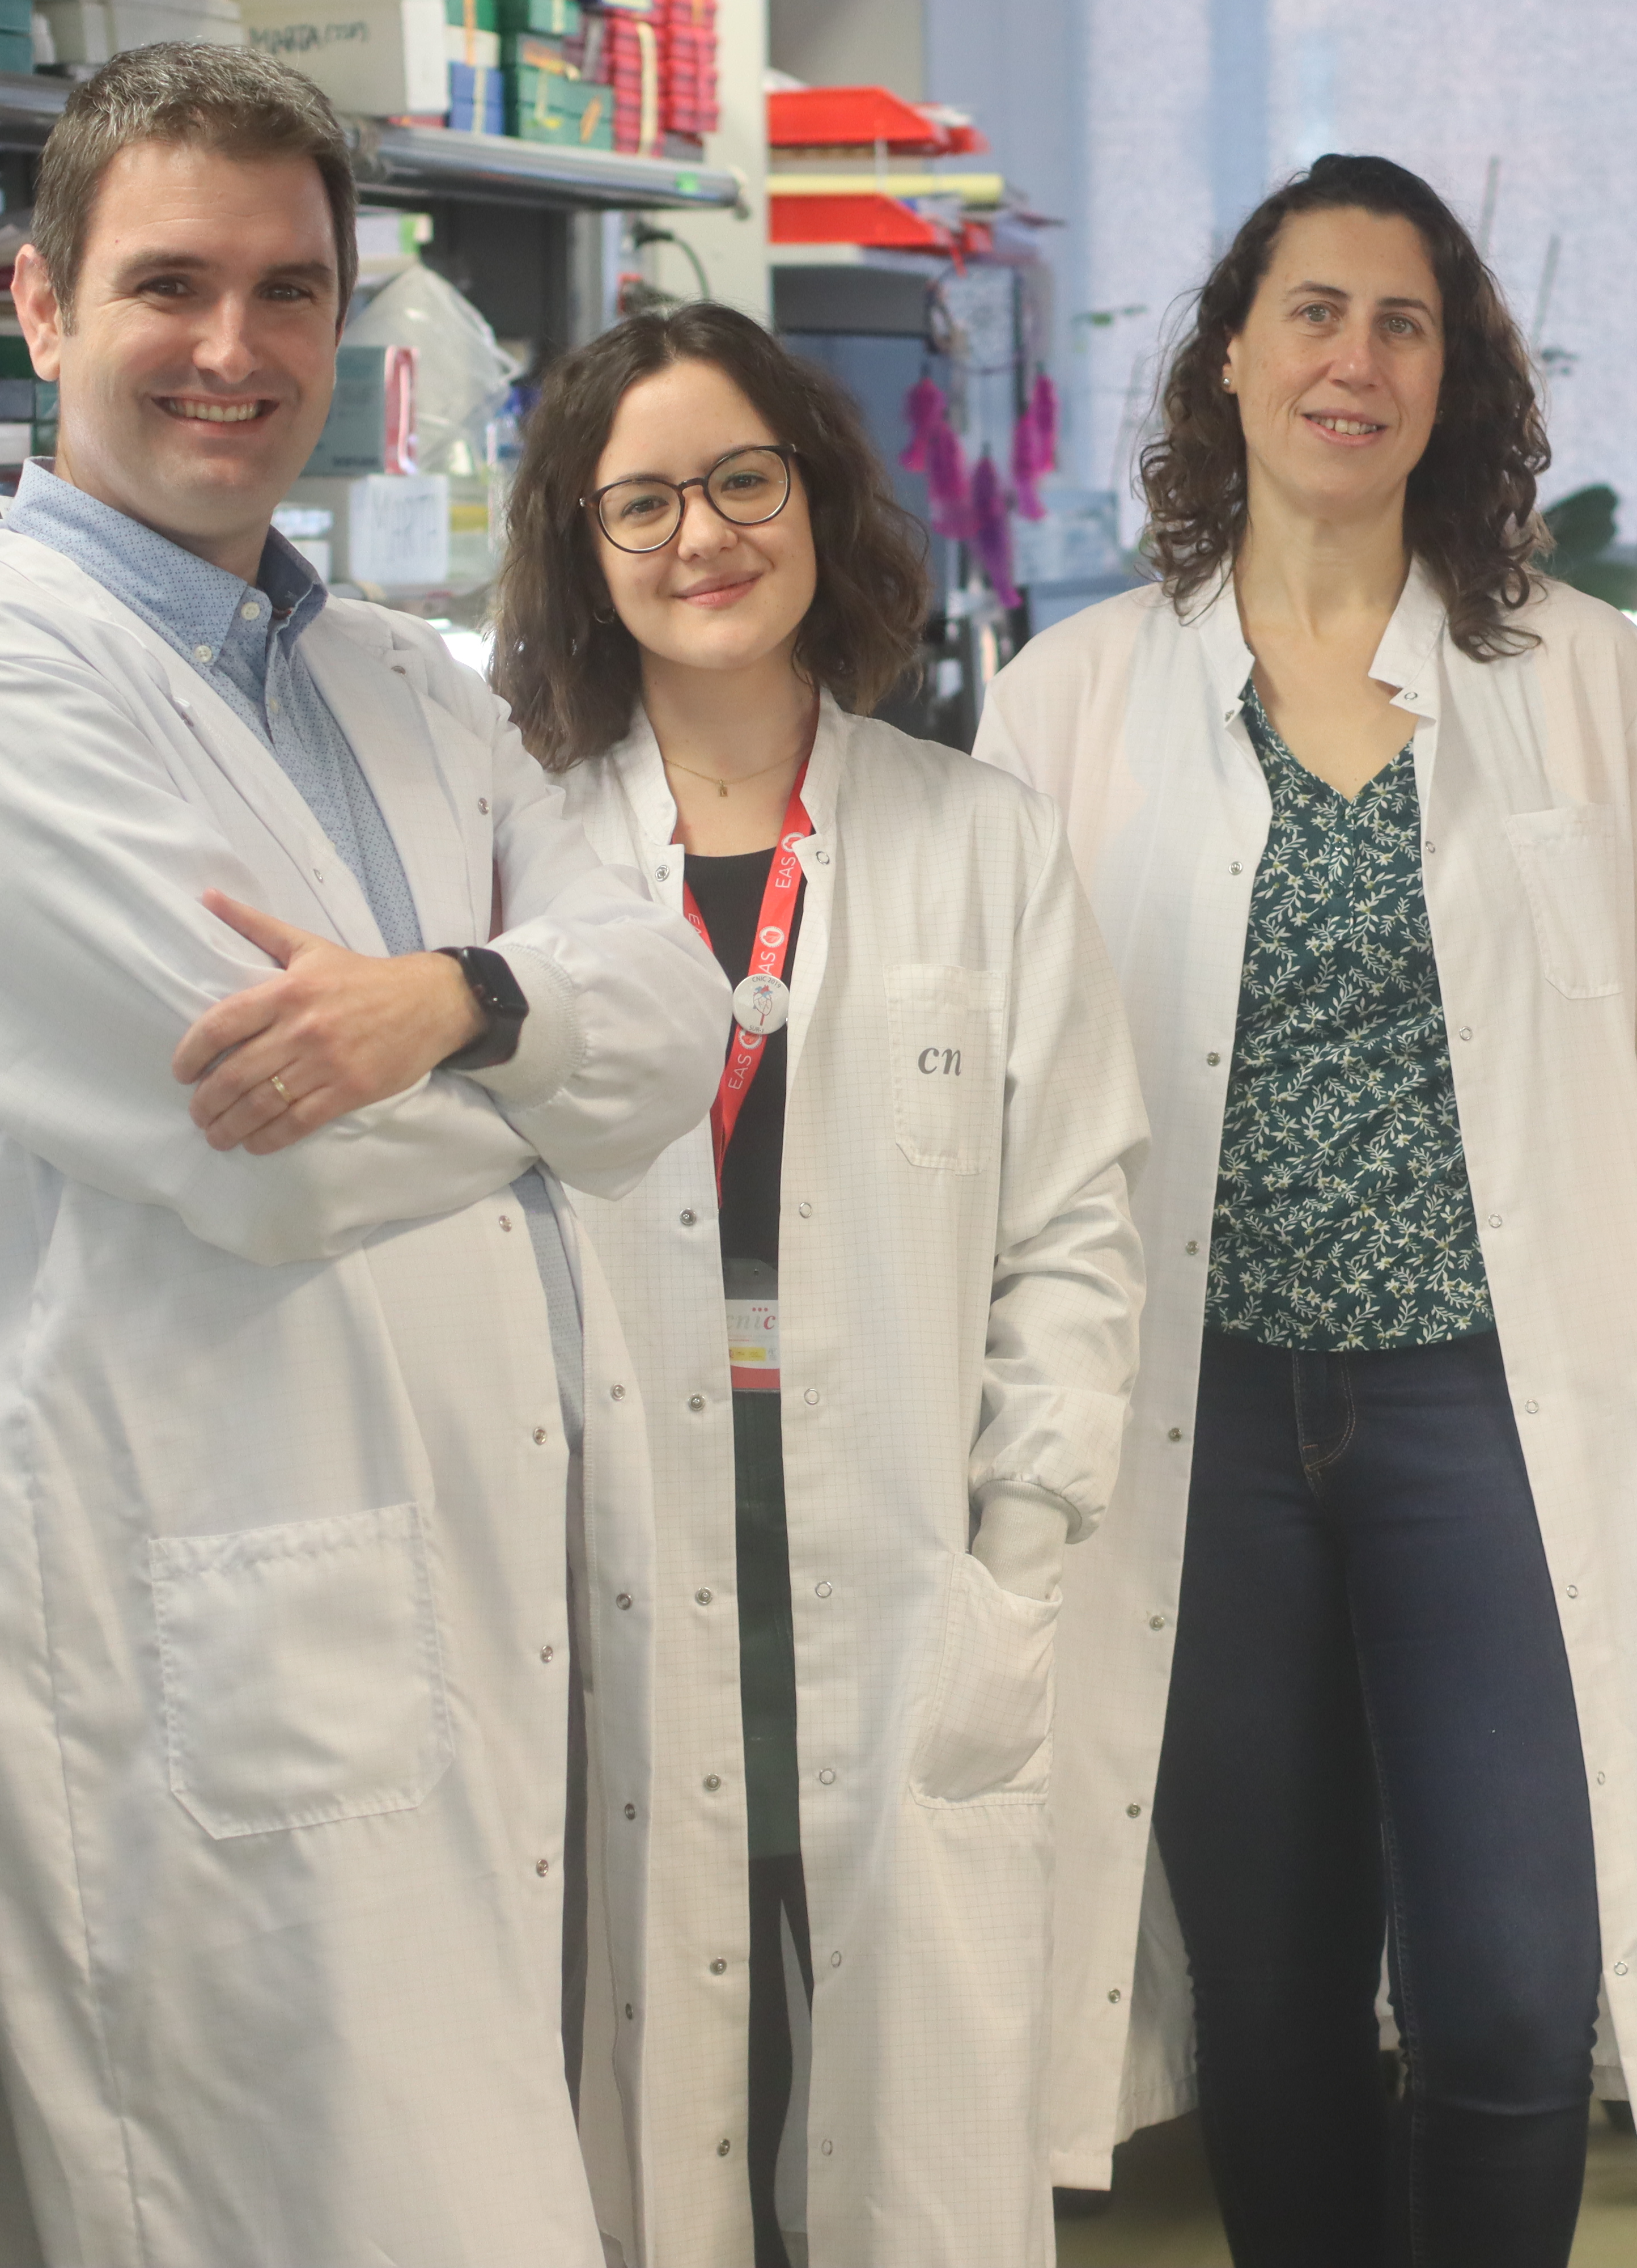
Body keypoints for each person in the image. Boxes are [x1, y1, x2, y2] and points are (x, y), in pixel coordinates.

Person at [0, 45, 728, 2268]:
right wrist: (544, 1062)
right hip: (211, 1673)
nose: (235, 350)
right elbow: (281, 1162)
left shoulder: (403, 676)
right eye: (170, 286)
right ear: (43, 308)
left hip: (449, 1630)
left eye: (289, 291)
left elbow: (673, 1012)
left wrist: (454, 1003)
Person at [976, 152, 1637, 2267]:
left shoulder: (1583, 681)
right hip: (1200, 1421)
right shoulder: (1068, 704)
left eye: (1404, 323)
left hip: (1488, 1415)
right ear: (1230, 355)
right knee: (1279, 1988)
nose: (1356, 358)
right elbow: (1014, 1107)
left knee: (1512, 1987)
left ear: (1456, 379)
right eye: (1314, 311)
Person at [490, 304, 1146, 2267]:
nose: (702, 536)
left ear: (816, 496)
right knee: (663, 2103)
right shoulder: (516, 856)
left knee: (905, 2129)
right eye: (643, 504)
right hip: (621, 1552)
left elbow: (1077, 1228)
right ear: (585, 552)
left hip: (898, 1552)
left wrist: (1017, 1552)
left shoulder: (977, 841)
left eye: (741, 480)